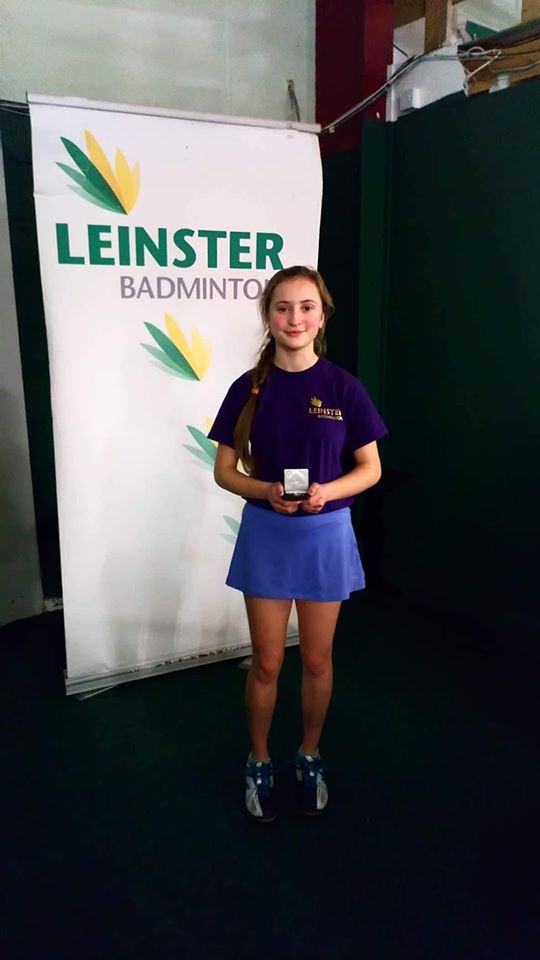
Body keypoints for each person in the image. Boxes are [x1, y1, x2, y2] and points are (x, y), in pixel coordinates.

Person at [208, 265, 387, 823]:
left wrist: (328, 492)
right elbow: (223, 471)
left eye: (306, 307)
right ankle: (259, 759)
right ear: (268, 316)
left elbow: (371, 468)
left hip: (326, 535)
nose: (294, 318)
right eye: (282, 307)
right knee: (266, 663)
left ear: (322, 316)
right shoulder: (248, 387)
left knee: (315, 658)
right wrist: (265, 490)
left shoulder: (343, 388)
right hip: (267, 534)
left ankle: (309, 753)